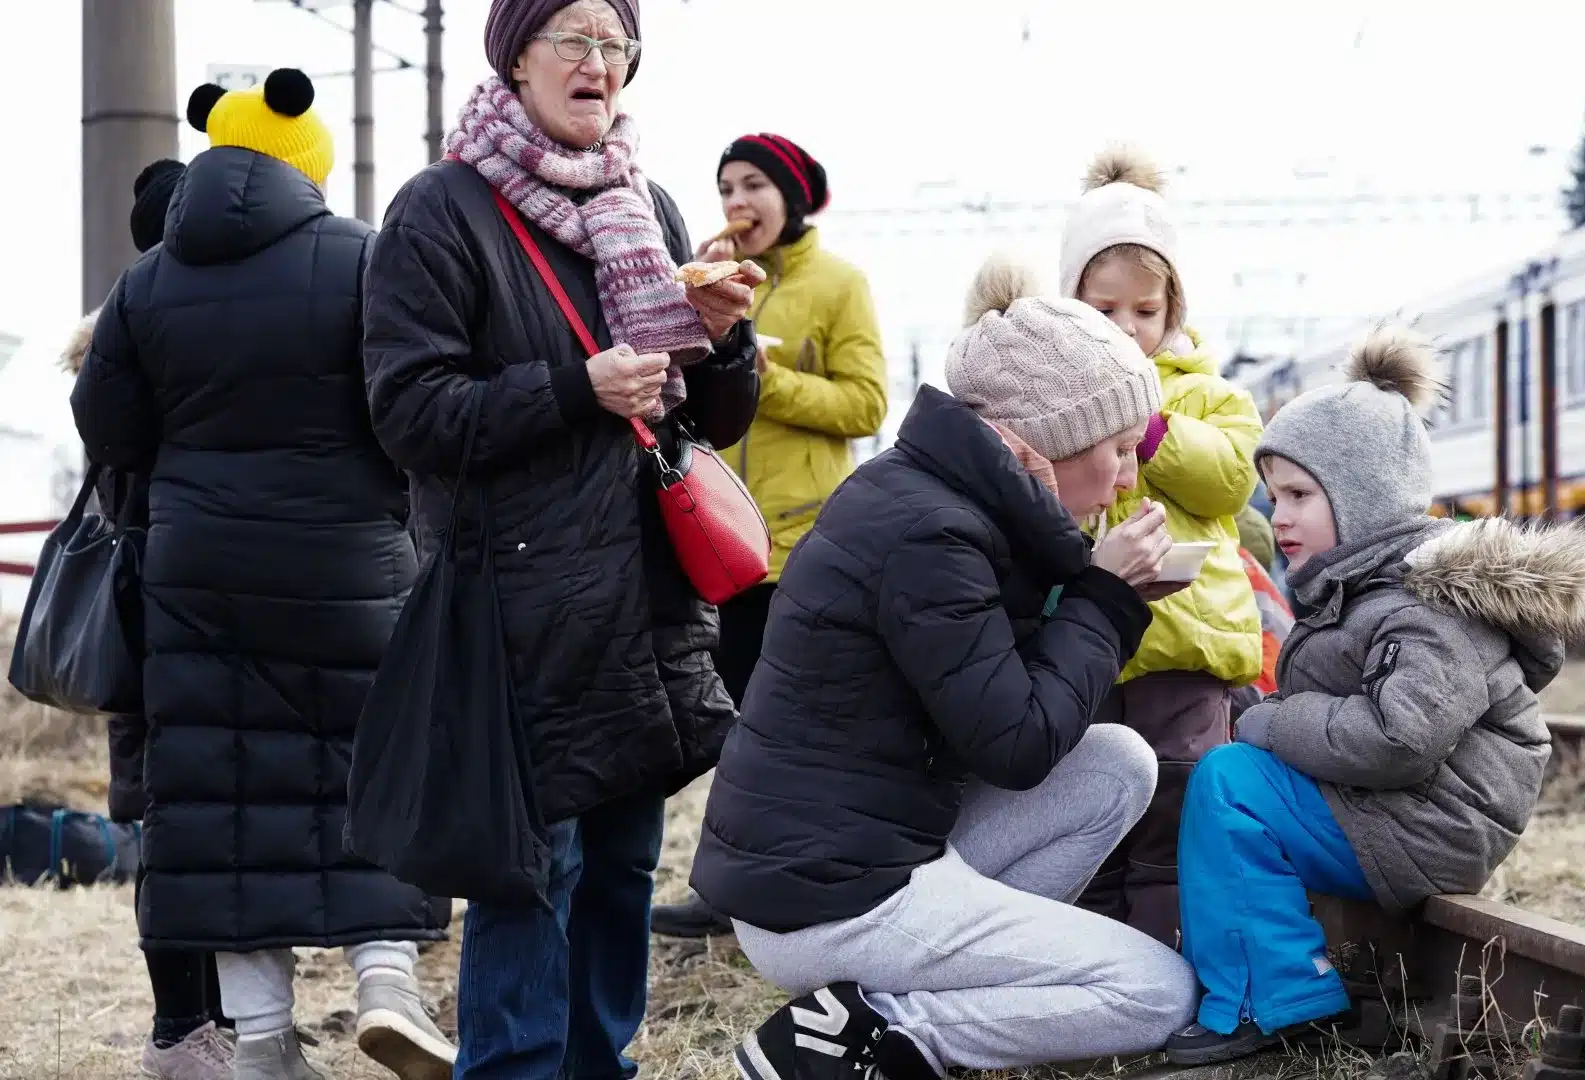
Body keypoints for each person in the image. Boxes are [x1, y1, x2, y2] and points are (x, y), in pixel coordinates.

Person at [359, 2, 762, 1076]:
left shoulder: (650, 204)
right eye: (574, 39)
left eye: (616, 45)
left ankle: (603, 1065)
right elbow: (408, 414)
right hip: (518, 605)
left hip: (644, 598)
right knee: (532, 866)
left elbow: (706, 421)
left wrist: (722, 343)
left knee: (625, 860)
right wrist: (572, 388)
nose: (600, 64)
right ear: (517, 56)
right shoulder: (440, 212)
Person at [691, 257, 1198, 1079]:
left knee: (1117, 764)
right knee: (1154, 993)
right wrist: (1103, 595)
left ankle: (959, 991)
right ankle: (871, 1035)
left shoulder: (932, 499)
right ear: (1045, 446)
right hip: (831, 896)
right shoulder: (933, 536)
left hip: (850, 850)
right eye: (1117, 447)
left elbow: (1008, 710)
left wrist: (1073, 568)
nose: (1130, 475)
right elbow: (1019, 743)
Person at [70, 72, 454, 1080]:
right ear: (308, 162)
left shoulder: (147, 281)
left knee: (221, 800)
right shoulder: (364, 260)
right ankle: (385, 980)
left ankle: (267, 1041)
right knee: (369, 769)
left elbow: (108, 430)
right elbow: (409, 404)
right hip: (353, 566)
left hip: (197, 575)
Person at [1165, 327, 1585, 1066]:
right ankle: (1286, 977)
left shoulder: (1424, 608)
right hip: (1423, 810)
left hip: (1434, 819)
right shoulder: (1372, 588)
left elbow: (1401, 738)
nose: (1278, 518)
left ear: (1365, 499)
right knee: (1240, 778)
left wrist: (1273, 724)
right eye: (1274, 495)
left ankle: (1269, 996)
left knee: (1230, 783)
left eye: (1300, 496)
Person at [652, 131, 886, 942]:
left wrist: (757, 368)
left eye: (753, 185)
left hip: (803, 544)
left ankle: (787, 888)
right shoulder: (712, 277)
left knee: (786, 721)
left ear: (791, 195)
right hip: (717, 538)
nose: (736, 204)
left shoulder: (839, 283)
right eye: (725, 188)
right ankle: (736, 887)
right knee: (734, 718)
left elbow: (866, 404)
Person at [1056, 146, 1264, 949]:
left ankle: (1173, 961)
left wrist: (1149, 429)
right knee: (1094, 813)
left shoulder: (1210, 397)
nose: (1126, 329)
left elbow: (1228, 482)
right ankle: (1104, 962)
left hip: (1184, 642)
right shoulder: (1051, 392)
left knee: (1179, 812)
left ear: (1172, 308)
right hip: (1093, 647)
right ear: (1071, 301)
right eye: (1104, 311)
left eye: (1144, 312)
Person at [59, 157, 237, 1080]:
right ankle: (186, 1028)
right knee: (185, 826)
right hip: (167, 622)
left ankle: (207, 1028)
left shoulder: (129, 342)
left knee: (187, 826)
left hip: (162, 630)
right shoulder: (136, 345)